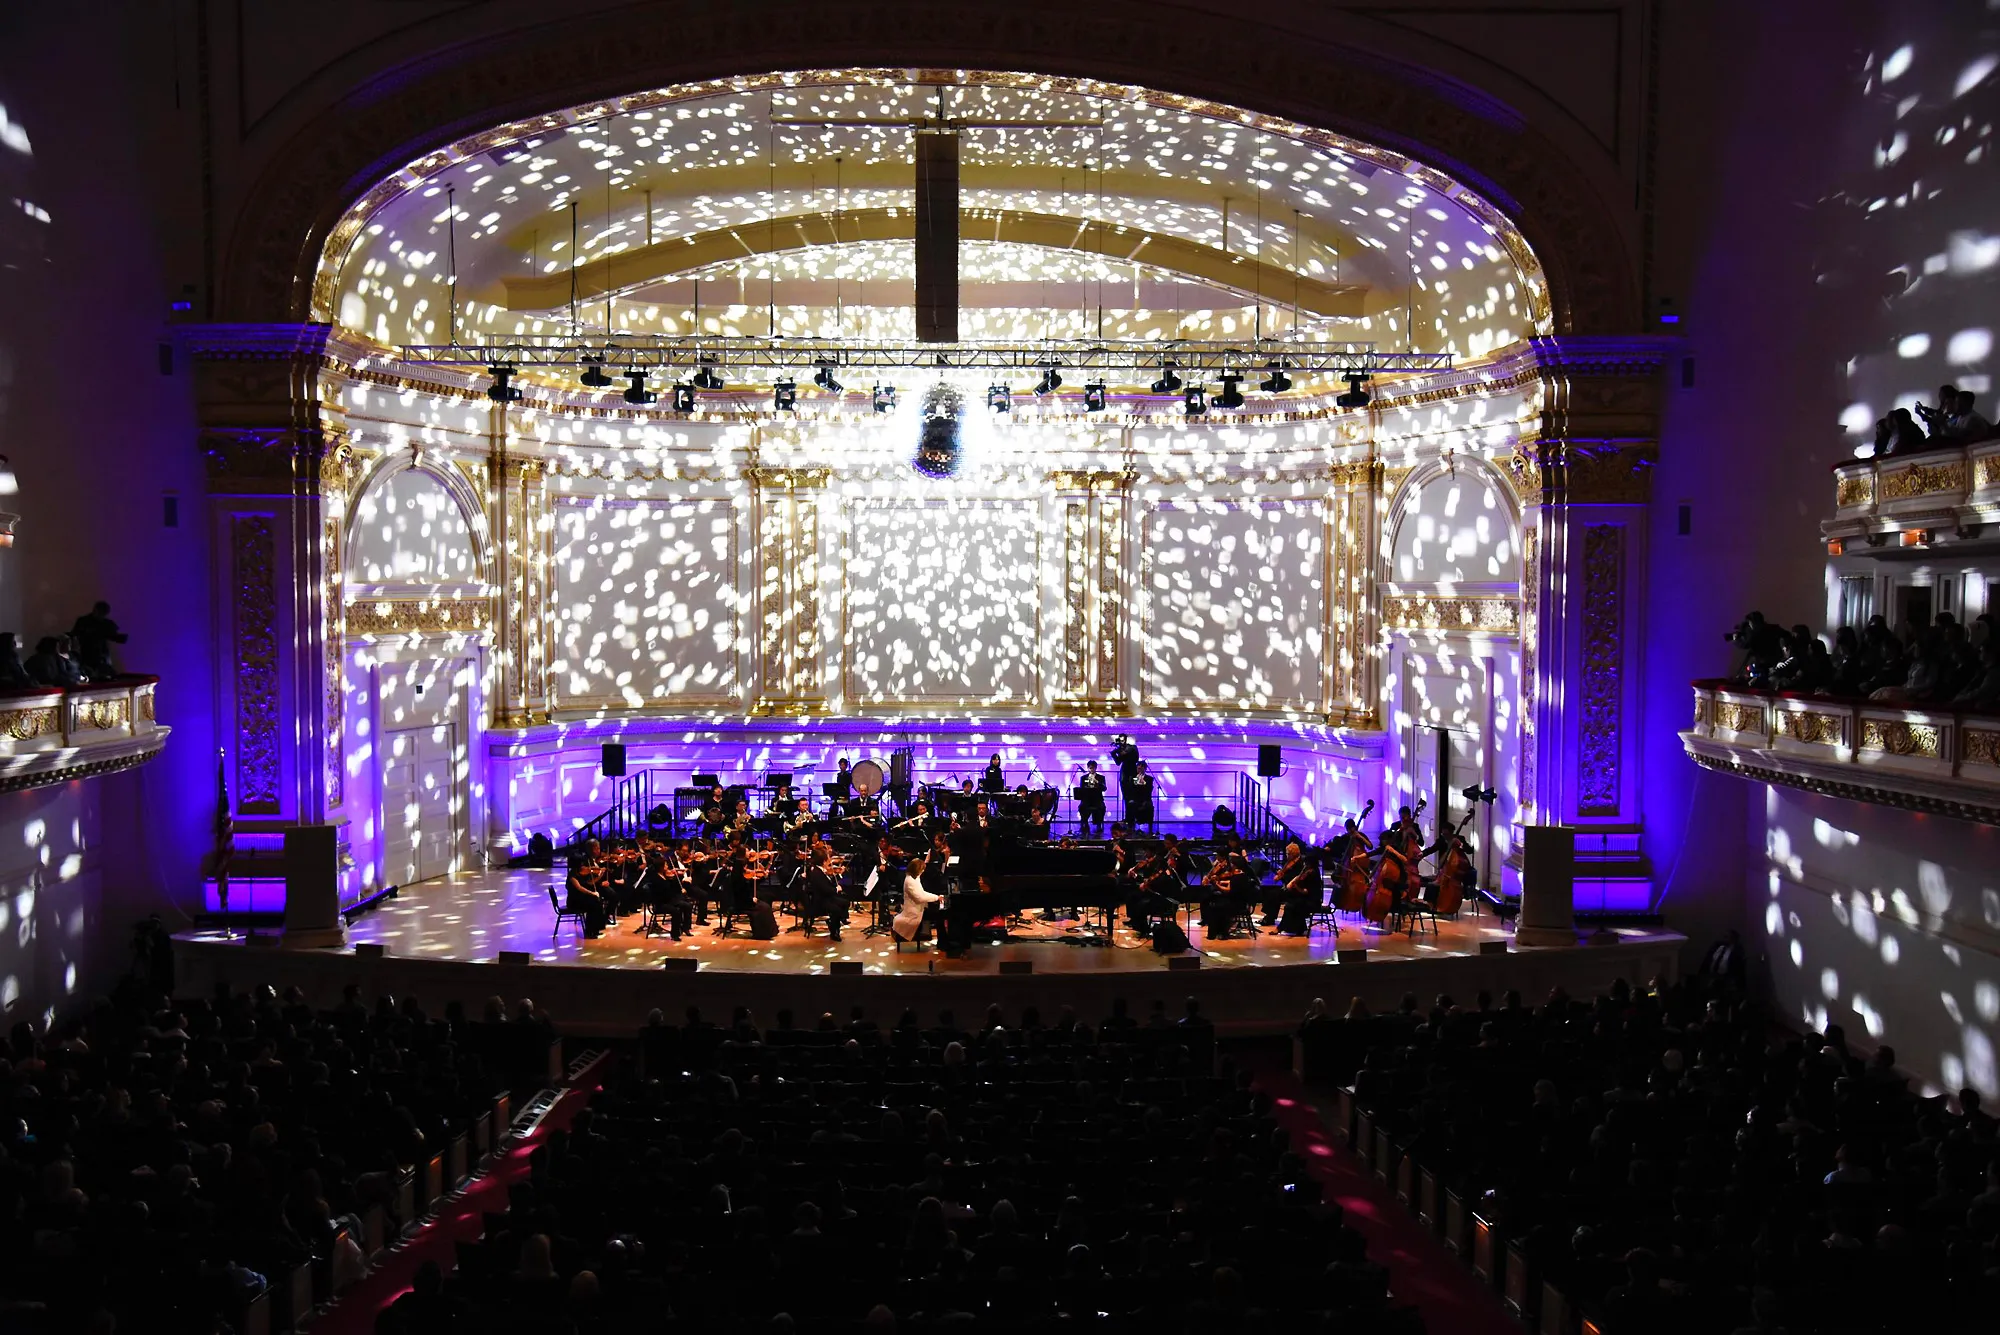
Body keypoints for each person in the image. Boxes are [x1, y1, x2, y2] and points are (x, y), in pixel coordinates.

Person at [69, 601, 128, 679]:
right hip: (88, 653)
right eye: (101, 612)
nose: (102, 615)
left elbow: (115, 636)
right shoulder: (84, 622)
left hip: (100, 654)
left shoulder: (86, 621)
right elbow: (75, 635)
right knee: (91, 673)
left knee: (103, 674)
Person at [893, 854, 941, 943]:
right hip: (914, 913)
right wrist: (936, 897)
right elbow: (920, 897)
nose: (923, 871)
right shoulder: (910, 881)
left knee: (938, 914)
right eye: (922, 869)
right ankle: (942, 942)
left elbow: (922, 893)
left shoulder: (913, 878)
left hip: (918, 908)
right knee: (939, 916)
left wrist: (936, 897)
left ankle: (941, 941)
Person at [564, 845, 608, 937]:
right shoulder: (572, 875)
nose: (583, 866)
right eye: (581, 864)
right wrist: (592, 893)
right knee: (593, 905)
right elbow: (580, 888)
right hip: (574, 901)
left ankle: (596, 928)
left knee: (597, 902)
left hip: (581, 898)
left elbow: (589, 884)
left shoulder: (580, 872)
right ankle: (589, 931)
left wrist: (600, 875)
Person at [1076, 759, 1107, 836]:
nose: (1091, 769)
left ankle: (1098, 825)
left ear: (1096, 768)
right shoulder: (1083, 778)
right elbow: (1081, 789)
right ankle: (1085, 824)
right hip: (1087, 799)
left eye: (1093, 768)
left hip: (1097, 799)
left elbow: (1104, 788)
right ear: (1087, 768)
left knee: (1101, 807)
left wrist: (1097, 783)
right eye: (1090, 768)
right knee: (1082, 807)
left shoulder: (1101, 777)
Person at [1126, 759, 1156, 830]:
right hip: (1136, 799)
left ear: (1144, 769)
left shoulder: (1149, 779)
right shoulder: (1133, 778)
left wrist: (1143, 782)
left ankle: (1150, 828)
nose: (1139, 770)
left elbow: (1148, 790)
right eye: (1138, 768)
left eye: (1140, 768)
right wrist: (1136, 780)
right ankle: (1130, 827)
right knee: (1130, 804)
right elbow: (1131, 790)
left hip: (1145, 799)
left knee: (1148, 806)